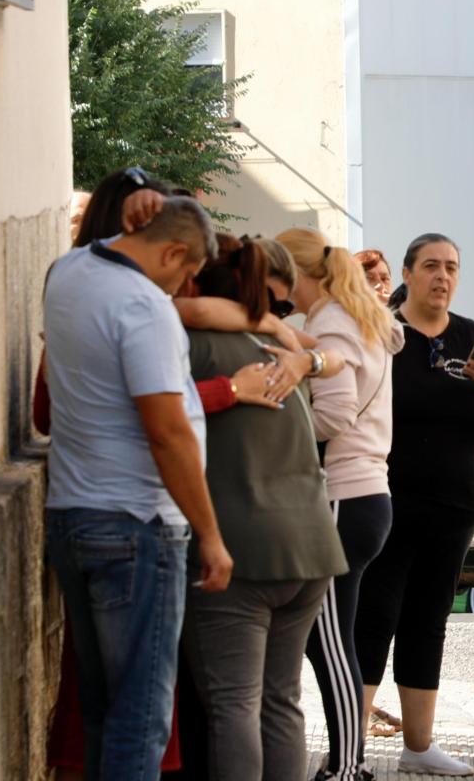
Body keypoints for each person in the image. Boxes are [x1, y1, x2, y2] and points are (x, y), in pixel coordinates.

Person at [42, 196, 233, 780]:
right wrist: (211, 534)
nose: (185, 286)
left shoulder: (68, 273)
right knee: (142, 719)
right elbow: (168, 432)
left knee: (104, 711)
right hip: (138, 524)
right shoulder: (144, 306)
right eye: (187, 270)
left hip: (75, 513)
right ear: (172, 250)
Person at [355, 233, 474, 776]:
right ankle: (350, 743)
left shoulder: (473, 337)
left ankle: (419, 745)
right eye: (431, 266)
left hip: (456, 507)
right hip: (389, 502)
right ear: (407, 274)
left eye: (452, 267)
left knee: (429, 620)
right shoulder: (381, 332)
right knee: (374, 617)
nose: (442, 277)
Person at [180, 236, 349, 780]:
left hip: (239, 548)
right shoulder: (280, 346)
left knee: (234, 705)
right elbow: (335, 359)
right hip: (311, 544)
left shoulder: (187, 343)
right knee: (281, 700)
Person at [274, 228, 405, 781]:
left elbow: (334, 415)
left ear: (297, 276)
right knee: (332, 638)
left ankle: (348, 767)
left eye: (277, 275)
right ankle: (347, 761)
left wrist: (283, 417)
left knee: (328, 644)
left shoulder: (331, 320)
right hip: (368, 494)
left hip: (342, 498)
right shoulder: (362, 319)